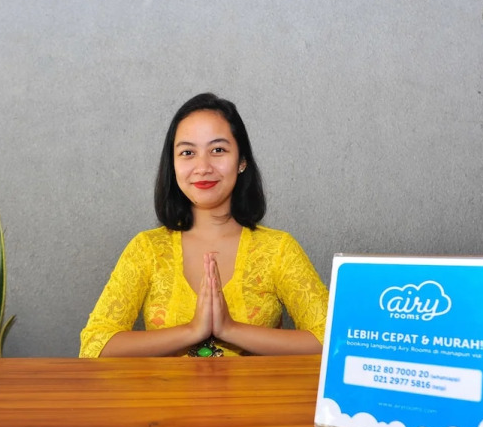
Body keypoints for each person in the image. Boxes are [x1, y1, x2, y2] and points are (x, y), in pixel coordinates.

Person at [79, 93, 328, 358]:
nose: (202, 167)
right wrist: (192, 331)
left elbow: (333, 340)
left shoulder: (278, 249)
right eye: (187, 153)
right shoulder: (147, 248)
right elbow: (94, 345)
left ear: (242, 161)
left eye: (218, 150)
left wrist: (230, 329)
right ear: (173, 165)